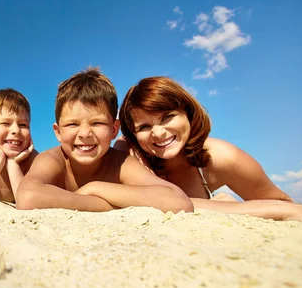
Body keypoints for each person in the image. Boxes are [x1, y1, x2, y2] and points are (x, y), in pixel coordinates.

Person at [114, 76, 302, 221]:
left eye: (168, 117)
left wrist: (237, 206)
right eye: (144, 127)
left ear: (188, 114)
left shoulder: (222, 157)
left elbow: (284, 205)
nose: (158, 133)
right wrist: (230, 207)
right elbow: (164, 203)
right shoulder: (130, 154)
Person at [16, 68, 193, 213]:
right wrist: (104, 205)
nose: (85, 133)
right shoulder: (53, 159)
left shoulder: (120, 163)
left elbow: (179, 201)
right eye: (72, 124)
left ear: (114, 129)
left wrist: (96, 188)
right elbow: (27, 197)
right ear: (58, 132)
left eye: (97, 123)